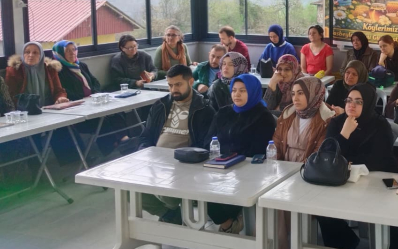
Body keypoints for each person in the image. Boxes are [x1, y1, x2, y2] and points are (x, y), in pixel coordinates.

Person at [318, 84, 398, 249]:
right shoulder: (337, 122)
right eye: (349, 100)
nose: (351, 105)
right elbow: (328, 156)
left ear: (368, 103)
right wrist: (344, 134)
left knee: (394, 209)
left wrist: (346, 161)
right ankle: (344, 247)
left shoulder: (380, 124)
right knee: (320, 206)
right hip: (345, 179)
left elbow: (379, 159)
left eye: (358, 102)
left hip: (380, 179)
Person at [137, 65, 215, 224]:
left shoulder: (204, 109)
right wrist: (145, 155)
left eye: (178, 84)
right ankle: (170, 215)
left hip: (183, 164)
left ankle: (172, 213)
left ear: (191, 82)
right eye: (170, 85)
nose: (173, 90)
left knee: (166, 193)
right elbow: (145, 136)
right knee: (126, 189)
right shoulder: (160, 105)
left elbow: (205, 147)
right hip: (156, 161)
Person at [271, 76, 335, 249]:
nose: (295, 98)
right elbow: (276, 144)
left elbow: (319, 154)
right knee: (270, 195)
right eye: (293, 94)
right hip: (283, 169)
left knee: (282, 199)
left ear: (314, 94)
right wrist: (275, 168)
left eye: (300, 93)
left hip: (309, 173)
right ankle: (274, 248)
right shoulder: (288, 114)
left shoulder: (327, 119)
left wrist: (294, 175)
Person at [205, 74, 276, 234]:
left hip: (246, 171)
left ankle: (228, 223)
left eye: (243, 91)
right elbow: (208, 140)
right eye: (234, 90)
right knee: (199, 190)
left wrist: (232, 161)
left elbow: (258, 150)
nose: (237, 94)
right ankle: (228, 222)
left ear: (253, 91)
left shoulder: (263, 116)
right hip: (218, 166)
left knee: (219, 195)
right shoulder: (223, 112)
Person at [53, 40, 128, 155]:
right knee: (102, 120)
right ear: (59, 53)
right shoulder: (58, 71)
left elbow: (94, 81)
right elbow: (63, 91)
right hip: (78, 110)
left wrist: (95, 93)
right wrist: (84, 98)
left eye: (74, 49)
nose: (72, 53)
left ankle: (124, 141)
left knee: (117, 112)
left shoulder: (81, 65)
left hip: (93, 103)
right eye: (67, 51)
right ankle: (112, 148)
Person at [6, 42, 72, 163]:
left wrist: (60, 98)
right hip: (26, 113)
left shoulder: (50, 69)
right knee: (33, 135)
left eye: (35, 53)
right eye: (27, 52)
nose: (30, 55)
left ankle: (72, 162)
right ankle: (37, 169)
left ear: (41, 55)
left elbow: (59, 90)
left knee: (63, 127)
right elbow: (11, 96)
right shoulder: (14, 71)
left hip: (48, 110)